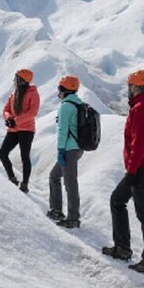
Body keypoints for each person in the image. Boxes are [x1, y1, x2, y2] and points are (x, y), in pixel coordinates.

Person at [101, 70, 144, 274]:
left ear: (135, 87)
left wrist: (132, 170)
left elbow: (140, 142)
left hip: (142, 167)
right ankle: (123, 248)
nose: (128, 90)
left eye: (129, 86)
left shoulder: (142, 108)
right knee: (119, 201)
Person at [47, 75, 84, 229]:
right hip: (78, 148)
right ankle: (56, 210)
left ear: (63, 90)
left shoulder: (65, 106)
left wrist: (60, 150)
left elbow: (63, 130)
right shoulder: (79, 104)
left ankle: (73, 218)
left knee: (70, 184)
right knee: (54, 176)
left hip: (68, 149)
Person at [0, 68, 40, 193]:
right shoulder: (14, 94)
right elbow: (6, 109)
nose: (13, 80)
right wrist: (9, 118)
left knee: (24, 156)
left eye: (16, 78)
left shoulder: (33, 93)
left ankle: (25, 184)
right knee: (2, 153)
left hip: (26, 130)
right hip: (14, 129)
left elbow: (33, 112)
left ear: (21, 80)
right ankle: (12, 178)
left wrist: (15, 121)